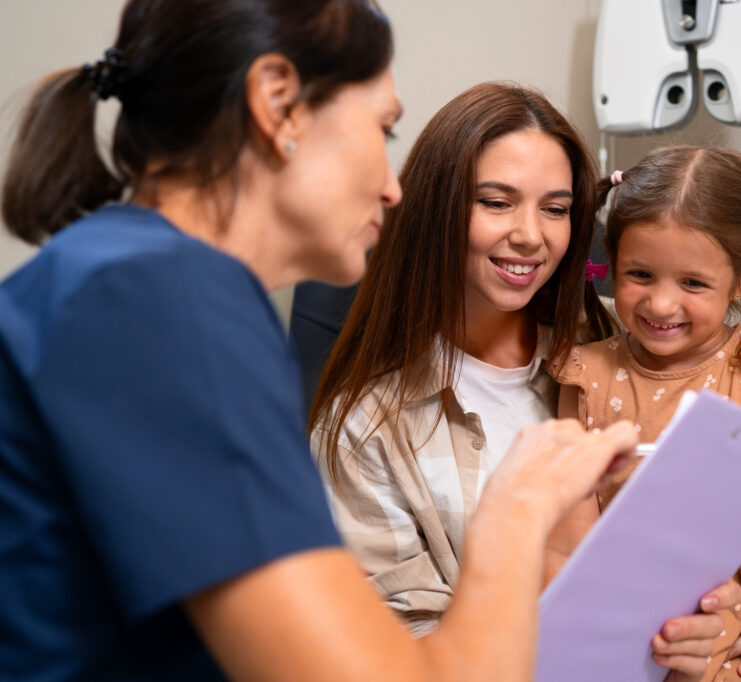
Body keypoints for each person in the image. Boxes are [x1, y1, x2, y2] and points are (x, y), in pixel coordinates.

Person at [0, 1, 670, 679]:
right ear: (278, 106)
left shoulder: (145, 282)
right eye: (383, 128)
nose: (391, 188)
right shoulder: (160, 302)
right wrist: (519, 511)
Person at [311, 84, 741, 681]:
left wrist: (726, 622)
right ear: (437, 210)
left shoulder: (627, 344)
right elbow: (407, 659)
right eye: (496, 202)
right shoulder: (366, 430)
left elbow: (725, 540)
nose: (531, 235)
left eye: (555, 210)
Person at [546, 145, 741, 682]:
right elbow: (573, 538)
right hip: (618, 642)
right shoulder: (582, 374)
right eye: (640, 274)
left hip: (724, 639)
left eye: (693, 283)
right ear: (612, 262)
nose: (661, 304)